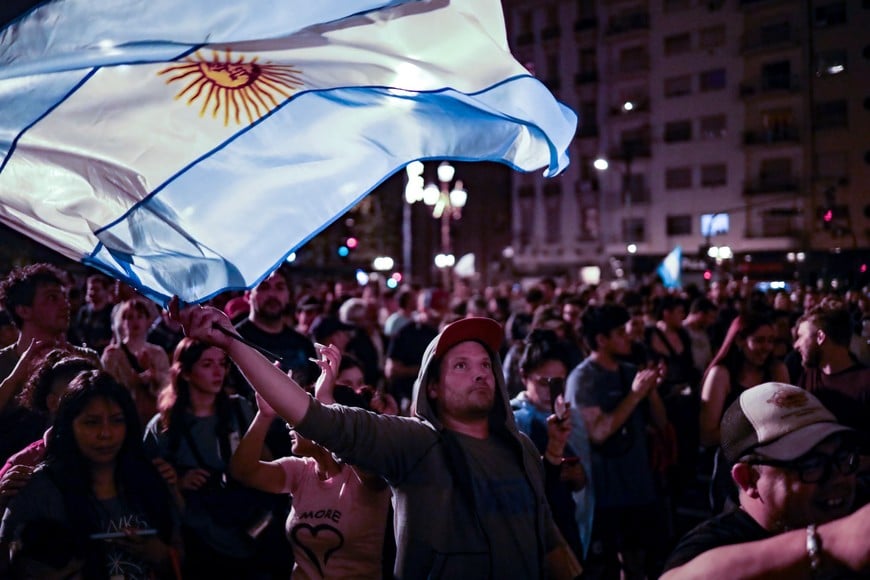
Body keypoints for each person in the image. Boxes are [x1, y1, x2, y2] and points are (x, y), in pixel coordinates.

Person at [175, 303, 582, 579]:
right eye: (460, 365)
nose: (479, 373)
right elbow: (311, 415)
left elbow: (547, 540)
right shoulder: (414, 443)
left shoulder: (521, 448)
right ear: (432, 388)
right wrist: (231, 343)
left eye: (484, 365)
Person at [661, 382, 870, 579]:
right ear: (749, 479)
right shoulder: (716, 544)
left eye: (843, 457)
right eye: (812, 464)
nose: (838, 477)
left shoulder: (856, 503)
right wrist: (825, 545)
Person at [0, 370, 181, 579]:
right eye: (91, 422)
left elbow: (182, 556)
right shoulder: (40, 490)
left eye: (116, 420)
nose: (105, 433)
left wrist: (162, 556)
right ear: (69, 426)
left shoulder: (149, 480)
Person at [229, 362, 392, 578]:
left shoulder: (367, 474)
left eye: (301, 416)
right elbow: (243, 472)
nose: (289, 423)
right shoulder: (301, 470)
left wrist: (326, 404)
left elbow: (368, 467)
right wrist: (264, 415)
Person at [142, 337, 289, 578]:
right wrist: (179, 480)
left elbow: (268, 464)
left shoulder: (239, 409)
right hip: (199, 536)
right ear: (185, 373)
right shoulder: (164, 426)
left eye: (222, 363)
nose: (218, 372)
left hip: (247, 527)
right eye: (207, 364)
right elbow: (147, 485)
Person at [566, 303, 669, 579]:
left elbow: (660, 423)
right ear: (601, 339)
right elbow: (598, 432)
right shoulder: (583, 379)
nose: (629, 337)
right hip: (606, 491)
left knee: (640, 562)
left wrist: (651, 391)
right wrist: (635, 395)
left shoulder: (629, 371)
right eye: (621, 333)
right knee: (609, 567)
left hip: (638, 484)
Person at [0, 263, 100, 463]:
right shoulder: (3, 362)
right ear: (23, 310)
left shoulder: (87, 359)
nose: (65, 304)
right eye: (52, 298)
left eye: (64, 297)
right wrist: (17, 376)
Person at [510, 329, 590, 561]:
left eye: (557, 383)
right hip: (532, 530)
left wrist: (577, 477)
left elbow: (582, 484)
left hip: (565, 523)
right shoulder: (514, 420)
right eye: (543, 382)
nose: (550, 391)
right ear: (524, 376)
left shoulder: (569, 417)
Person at [235, 269, 317, 387]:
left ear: (288, 296)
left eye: (280, 288)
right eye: (264, 287)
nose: (272, 294)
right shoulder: (234, 339)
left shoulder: (303, 344)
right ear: (248, 295)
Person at [102, 298, 171, 428]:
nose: (135, 321)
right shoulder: (112, 355)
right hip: (122, 417)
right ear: (122, 322)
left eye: (140, 316)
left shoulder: (158, 353)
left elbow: (168, 386)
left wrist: (154, 375)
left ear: (148, 320)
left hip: (152, 416)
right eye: (130, 317)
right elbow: (106, 388)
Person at [71, 273, 116, 355]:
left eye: (96, 289)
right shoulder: (83, 312)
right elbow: (77, 332)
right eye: (90, 289)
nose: (92, 292)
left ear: (105, 291)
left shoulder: (112, 311)